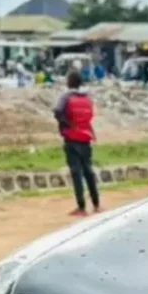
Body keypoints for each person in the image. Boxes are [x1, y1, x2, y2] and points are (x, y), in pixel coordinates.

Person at [54, 70, 100, 216]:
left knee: (76, 172)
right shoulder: (87, 98)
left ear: (69, 82)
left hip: (71, 138)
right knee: (88, 171)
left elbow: (57, 111)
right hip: (86, 138)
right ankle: (96, 204)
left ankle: (81, 207)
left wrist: (65, 124)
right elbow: (90, 116)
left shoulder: (65, 97)